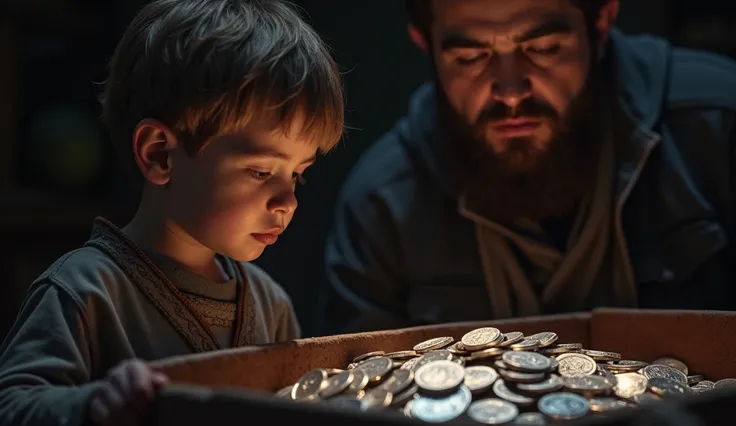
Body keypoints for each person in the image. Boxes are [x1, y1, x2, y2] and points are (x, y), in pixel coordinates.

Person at [0, 0, 344, 425]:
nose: (287, 201)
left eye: (298, 175)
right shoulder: (85, 292)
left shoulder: (271, 306)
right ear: (160, 155)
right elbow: (13, 405)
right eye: (260, 171)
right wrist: (93, 405)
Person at [323, 0, 736, 335]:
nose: (511, 92)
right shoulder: (383, 204)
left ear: (602, 22)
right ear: (424, 43)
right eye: (470, 57)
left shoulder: (717, 126)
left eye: (543, 49)